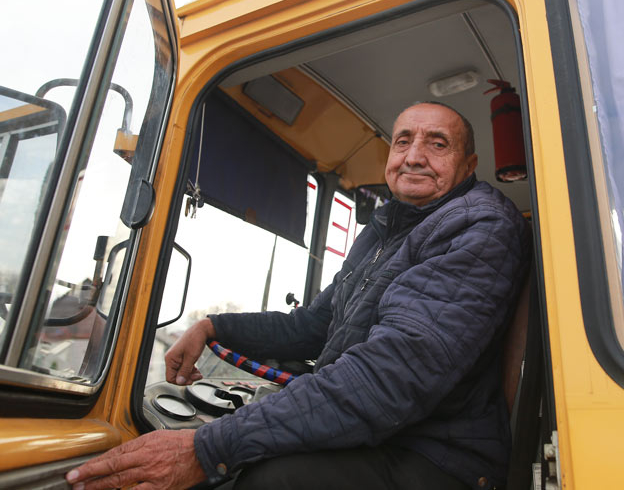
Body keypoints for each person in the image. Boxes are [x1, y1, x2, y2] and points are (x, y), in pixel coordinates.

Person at [66, 102, 532, 490]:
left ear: (469, 165)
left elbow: (391, 376)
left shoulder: (480, 225)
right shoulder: (384, 229)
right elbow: (312, 326)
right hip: (385, 434)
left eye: (437, 144)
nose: (413, 156)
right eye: (403, 141)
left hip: (438, 454)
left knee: (268, 479)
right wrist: (213, 327)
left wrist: (209, 449)